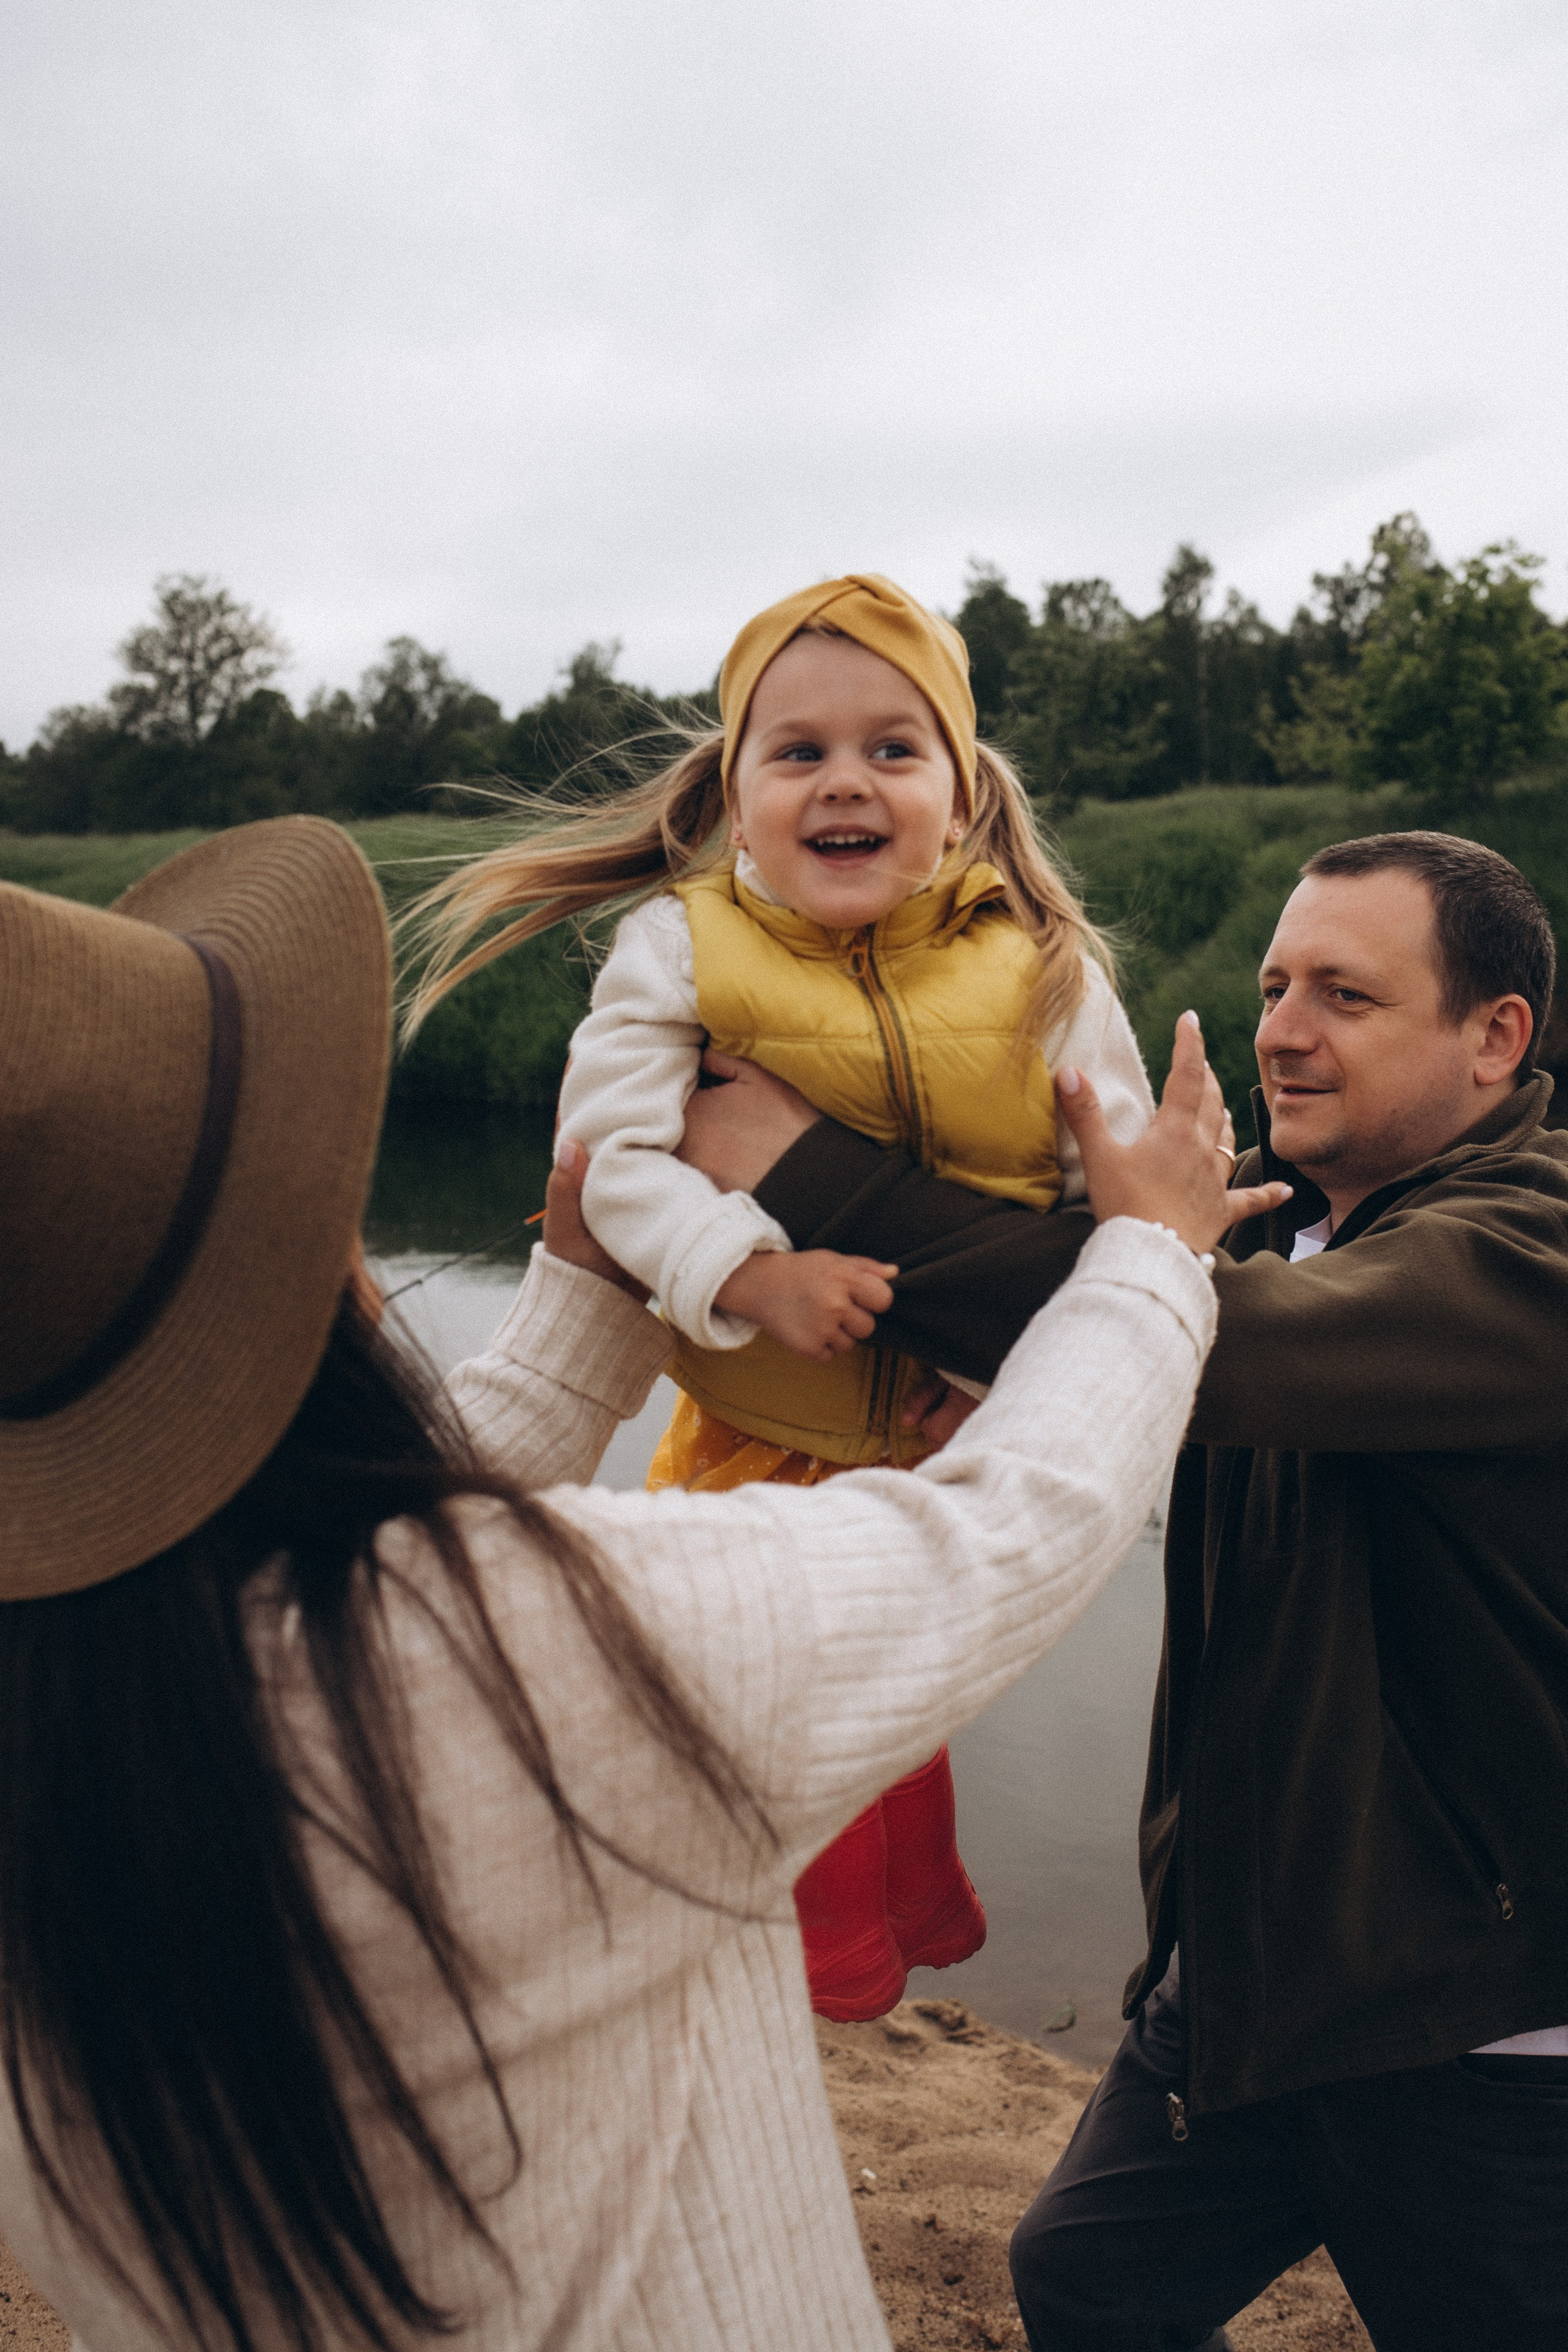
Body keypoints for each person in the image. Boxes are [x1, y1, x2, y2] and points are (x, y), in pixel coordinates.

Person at [0, 815, 1280, 2352]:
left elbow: (333, 1526)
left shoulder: (95, 1670)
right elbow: (1004, 1536)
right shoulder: (530, 1658)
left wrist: (589, 1291)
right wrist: (1145, 1258)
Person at [677, 828, 1568, 2352]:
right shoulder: (1278, 1219)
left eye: (1345, 994)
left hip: (1462, 2021)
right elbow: (1163, 1349)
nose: (1281, 1029)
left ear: (1493, 1038)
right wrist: (1009, 1389)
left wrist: (806, 1172)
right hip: (1245, 1974)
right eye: (1274, 986)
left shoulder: (1528, 1250)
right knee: (1088, 2283)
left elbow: (1212, 1346)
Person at [402, 573, 1155, 2023]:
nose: (843, 782)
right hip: (746, 1454)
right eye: (796, 751)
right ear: (736, 802)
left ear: (959, 794)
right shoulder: (681, 947)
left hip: (933, 1465)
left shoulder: (1048, 972)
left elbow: (1109, 1217)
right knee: (725, 1775)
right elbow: (613, 1168)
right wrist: (747, 1271)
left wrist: (995, 1380)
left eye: (892, 749)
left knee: (871, 1748)